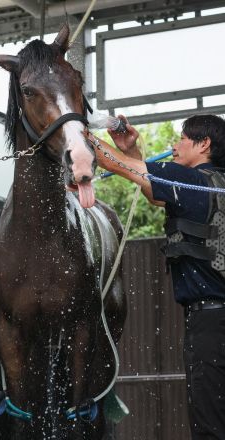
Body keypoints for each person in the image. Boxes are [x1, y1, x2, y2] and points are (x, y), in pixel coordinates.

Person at [88, 114, 225, 440]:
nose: (173, 146)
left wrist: (72, 126)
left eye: (181, 139)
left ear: (203, 144)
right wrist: (133, 148)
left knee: (211, 427)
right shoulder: (212, 185)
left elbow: (118, 165)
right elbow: (154, 191)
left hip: (211, 327)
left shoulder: (189, 181)